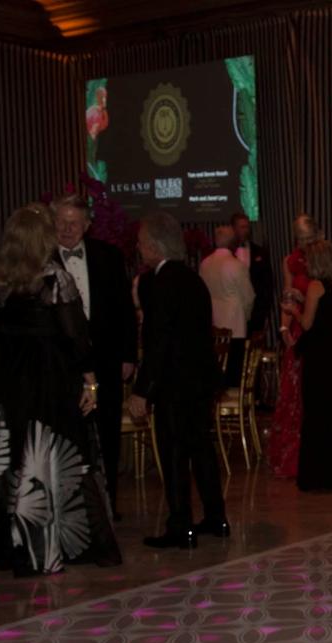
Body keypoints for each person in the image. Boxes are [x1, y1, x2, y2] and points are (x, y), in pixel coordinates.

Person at [0, 203, 120, 576]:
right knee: (52, 459)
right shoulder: (55, 280)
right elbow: (78, 341)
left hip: (9, 384)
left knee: (15, 459)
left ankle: (13, 540)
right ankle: (53, 541)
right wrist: (92, 384)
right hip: (51, 384)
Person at [128, 212, 228, 549]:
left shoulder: (158, 282)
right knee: (201, 449)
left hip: (174, 383)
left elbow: (157, 342)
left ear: (155, 246)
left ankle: (180, 525)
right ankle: (216, 517)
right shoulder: (192, 279)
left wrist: (142, 390)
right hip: (201, 381)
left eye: (141, 243)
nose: (139, 249)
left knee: (173, 453)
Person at [53, 192, 137, 519]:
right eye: (61, 222)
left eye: (74, 223)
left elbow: (126, 312)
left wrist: (128, 356)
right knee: (67, 436)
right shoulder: (43, 261)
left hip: (106, 363)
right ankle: (69, 511)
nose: (67, 229)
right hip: (62, 366)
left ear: (87, 225)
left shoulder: (109, 256)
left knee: (107, 437)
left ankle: (107, 506)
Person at [289, 238, 332, 491]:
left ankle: (315, 478)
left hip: (317, 358)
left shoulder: (315, 285)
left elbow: (307, 324)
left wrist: (293, 310)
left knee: (314, 416)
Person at [266, 213, 320, 478]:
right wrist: (284, 327)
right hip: (299, 326)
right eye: (302, 239)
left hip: (319, 328)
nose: (306, 243)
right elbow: (287, 296)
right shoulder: (290, 260)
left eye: (310, 238)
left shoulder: (324, 256)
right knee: (293, 388)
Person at [199, 225, 255, 387]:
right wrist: (247, 315)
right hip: (235, 323)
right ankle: (232, 403)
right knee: (233, 370)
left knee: (215, 369)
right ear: (233, 243)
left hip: (213, 322)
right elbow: (248, 296)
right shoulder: (236, 265)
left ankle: (217, 405)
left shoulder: (205, 263)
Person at [231, 211, 276, 344]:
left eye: (247, 227)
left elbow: (268, 283)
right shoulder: (227, 254)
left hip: (256, 311)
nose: (246, 230)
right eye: (242, 227)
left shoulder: (260, 252)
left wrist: (264, 310)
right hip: (234, 312)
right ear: (233, 228)